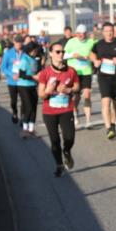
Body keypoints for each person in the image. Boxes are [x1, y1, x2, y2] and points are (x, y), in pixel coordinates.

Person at [37, 40, 81, 177]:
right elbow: (41, 95)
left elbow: (77, 87)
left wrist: (68, 89)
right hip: (49, 112)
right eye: (57, 52)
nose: (61, 54)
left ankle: (67, 151)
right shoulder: (45, 73)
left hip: (66, 109)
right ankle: (59, 164)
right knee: (54, 141)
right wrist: (49, 90)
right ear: (51, 54)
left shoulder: (71, 71)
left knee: (69, 137)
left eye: (62, 52)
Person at [91, 22, 116, 139]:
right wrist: (95, 61)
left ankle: (113, 123)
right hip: (103, 77)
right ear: (102, 32)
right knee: (106, 100)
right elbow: (92, 54)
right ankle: (108, 128)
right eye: (106, 31)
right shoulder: (98, 44)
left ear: (114, 32)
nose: (109, 33)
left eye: (111, 31)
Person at [2, 35, 40, 136]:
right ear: (14, 42)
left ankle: (25, 122)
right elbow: (3, 67)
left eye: (20, 42)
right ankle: (14, 112)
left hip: (25, 82)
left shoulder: (25, 53)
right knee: (14, 101)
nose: (19, 44)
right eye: (17, 42)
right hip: (12, 81)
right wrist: (12, 75)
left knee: (26, 104)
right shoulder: (8, 53)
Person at [64, 24, 96, 129]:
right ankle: (75, 113)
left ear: (86, 33)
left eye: (83, 33)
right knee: (75, 96)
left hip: (86, 72)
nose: (81, 35)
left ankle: (88, 121)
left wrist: (92, 58)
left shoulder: (91, 42)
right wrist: (72, 55)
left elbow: (97, 53)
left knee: (87, 95)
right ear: (76, 34)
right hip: (74, 72)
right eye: (79, 33)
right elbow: (63, 55)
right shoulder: (71, 42)